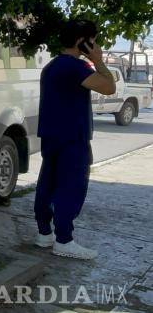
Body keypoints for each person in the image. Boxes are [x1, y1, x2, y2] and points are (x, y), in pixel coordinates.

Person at [34, 19, 116, 260]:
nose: (96, 44)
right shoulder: (75, 68)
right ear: (83, 42)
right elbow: (109, 87)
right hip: (72, 137)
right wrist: (99, 61)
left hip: (51, 135)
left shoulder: (52, 66)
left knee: (48, 183)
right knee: (71, 186)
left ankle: (44, 234)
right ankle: (64, 240)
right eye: (94, 40)